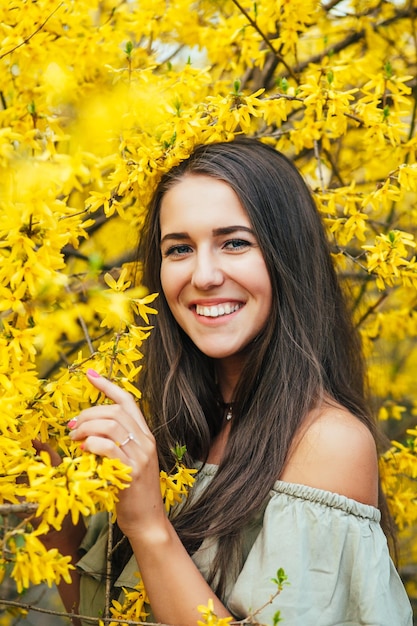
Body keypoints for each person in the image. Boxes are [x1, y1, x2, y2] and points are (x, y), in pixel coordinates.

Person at [49, 138, 413, 625]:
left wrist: (148, 524)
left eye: (235, 242)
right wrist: (46, 498)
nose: (203, 275)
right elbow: (98, 614)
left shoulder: (328, 444)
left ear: (288, 255)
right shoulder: (170, 424)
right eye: (179, 248)